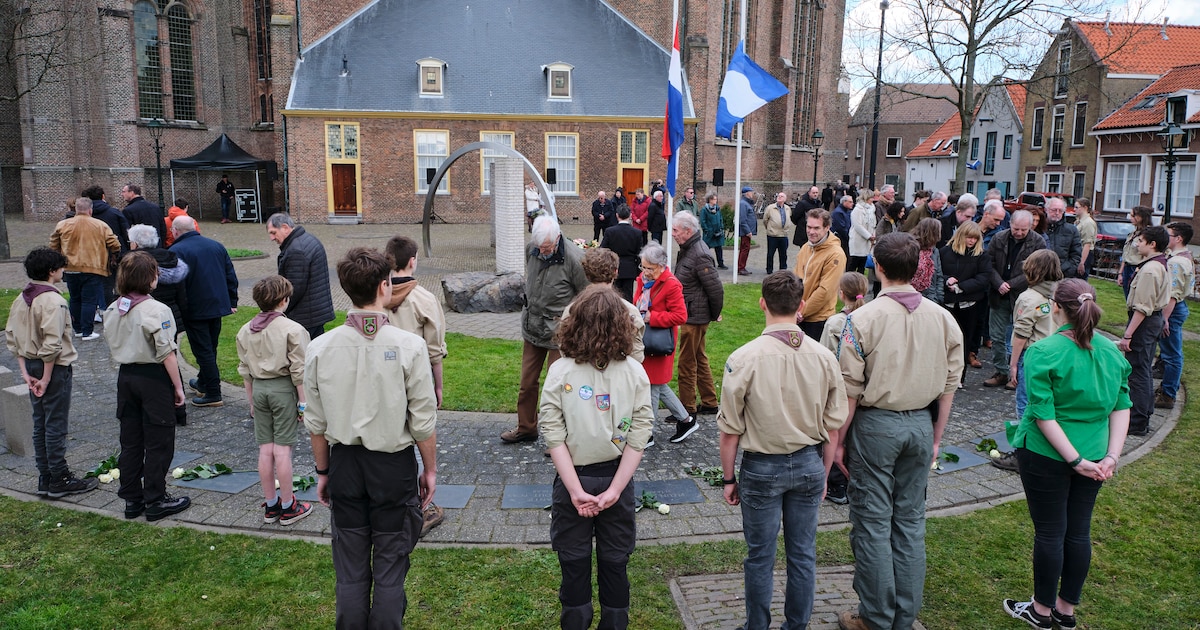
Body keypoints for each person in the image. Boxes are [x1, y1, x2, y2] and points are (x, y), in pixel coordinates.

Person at [833, 232, 964, 630]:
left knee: (873, 523)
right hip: (921, 426)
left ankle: (875, 617)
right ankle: (903, 616)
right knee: (909, 522)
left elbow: (849, 391)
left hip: (877, 427)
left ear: (878, 267)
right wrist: (937, 437)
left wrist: (837, 443)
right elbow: (949, 389)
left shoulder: (861, 319)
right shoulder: (943, 318)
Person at [303, 246, 438, 628]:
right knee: (391, 566)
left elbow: (315, 423)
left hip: (344, 463)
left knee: (350, 566)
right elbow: (423, 421)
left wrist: (323, 471)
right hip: (392, 467)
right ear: (384, 286)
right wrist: (430, 470)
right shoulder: (410, 346)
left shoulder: (319, 347)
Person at [719, 271, 848, 630]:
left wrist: (729, 479)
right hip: (808, 463)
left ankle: (756, 626)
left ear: (762, 304)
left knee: (760, 557)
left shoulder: (743, 358)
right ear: (802, 306)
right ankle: (797, 626)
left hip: (761, 468)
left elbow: (729, 431)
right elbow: (833, 428)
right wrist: (823, 472)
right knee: (803, 554)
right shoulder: (824, 357)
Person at [1001, 279, 1130, 630]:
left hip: (1048, 456)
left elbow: (1044, 416)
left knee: (1051, 532)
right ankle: (1065, 611)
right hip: (1095, 453)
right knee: (1077, 532)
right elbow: (1122, 406)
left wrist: (1076, 460)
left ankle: (1041, 612)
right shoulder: (1112, 351)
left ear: (1055, 307)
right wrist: (1110, 457)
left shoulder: (1043, 352)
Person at [542, 285, 652, 630]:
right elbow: (639, 436)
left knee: (574, 560)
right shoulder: (636, 373)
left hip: (573, 478)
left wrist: (575, 491)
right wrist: (616, 490)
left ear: (574, 323)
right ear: (623, 325)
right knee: (615, 560)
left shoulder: (560, 371)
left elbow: (553, 434)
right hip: (616, 479)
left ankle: (576, 620)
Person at [101, 251, 190, 521]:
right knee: (159, 441)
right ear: (149, 278)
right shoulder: (157, 310)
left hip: (126, 378)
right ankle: (155, 498)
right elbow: (167, 353)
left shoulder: (113, 308)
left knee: (131, 441)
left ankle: (131, 498)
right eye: (155, 273)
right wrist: (178, 387)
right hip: (153, 378)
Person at [5, 247, 96, 499]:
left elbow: (13, 338)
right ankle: (59, 477)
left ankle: (45, 476)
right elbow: (53, 344)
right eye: (61, 267)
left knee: (40, 422)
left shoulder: (21, 297)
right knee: (54, 423)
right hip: (52, 369)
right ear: (52, 271)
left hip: (32, 366)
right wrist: (44, 378)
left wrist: (26, 374)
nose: (63, 271)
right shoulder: (54, 301)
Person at [502, 216, 587, 443]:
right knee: (527, 383)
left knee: (557, 388)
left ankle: (557, 438)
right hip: (533, 327)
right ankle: (526, 427)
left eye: (547, 248)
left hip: (560, 333)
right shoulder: (533, 248)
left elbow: (586, 297)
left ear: (557, 238)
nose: (543, 252)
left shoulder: (575, 259)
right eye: (540, 248)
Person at [235, 275, 313, 526]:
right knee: (282, 450)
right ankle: (290, 505)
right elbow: (299, 370)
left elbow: (244, 369)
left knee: (265, 449)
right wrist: (303, 403)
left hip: (258, 390)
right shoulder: (293, 329)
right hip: (283, 391)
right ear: (284, 300)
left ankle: (271, 504)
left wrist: (251, 402)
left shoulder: (245, 330)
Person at [170, 216, 239, 407]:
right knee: (210, 347)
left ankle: (214, 393)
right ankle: (203, 381)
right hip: (216, 306)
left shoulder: (176, 251)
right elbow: (230, 275)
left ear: (175, 231)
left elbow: (177, 284)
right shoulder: (216, 246)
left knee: (203, 350)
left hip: (195, 309)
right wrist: (232, 300)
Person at [634, 242, 692, 445]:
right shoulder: (643, 280)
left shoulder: (672, 284)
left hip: (659, 343)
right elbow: (636, 303)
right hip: (645, 339)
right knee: (658, 383)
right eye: (643, 267)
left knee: (652, 385)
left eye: (649, 268)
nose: (645, 272)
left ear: (661, 265)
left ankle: (647, 433)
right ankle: (686, 420)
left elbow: (681, 316)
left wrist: (653, 317)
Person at [819, 271, 868, 506]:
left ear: (841, 294)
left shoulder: (835, 323)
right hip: (866, 390)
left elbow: (825, 357)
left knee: (834, 434)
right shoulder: (872, 318)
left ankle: (836, 483)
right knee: (854, 436)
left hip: (841, 389)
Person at [671, 211, 724, 423]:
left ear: (688, 231)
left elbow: (716, 289)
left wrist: (714, 314)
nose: (673, 234)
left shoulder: (699, 253)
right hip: (693, 314)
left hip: (694, 318)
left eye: (675, 230)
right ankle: (710, 402)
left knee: (686, 363)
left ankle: (686, 409)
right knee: (699, 359)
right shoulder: (688, 249)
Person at [983, 210, 1045, 389]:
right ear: (1010, 225)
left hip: (1022, 295)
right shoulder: (999, 238)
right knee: (996, 335)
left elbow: (1036, 271)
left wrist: (1010, 284)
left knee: (1020, 336)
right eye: (1016, 229)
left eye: (1023, 230)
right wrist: (999, 283)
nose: (1019, 233)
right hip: (998, 293)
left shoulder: (1038, 242)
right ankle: (1001, 371)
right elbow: (989, 264)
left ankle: (1015, 374)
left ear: (1030, 226)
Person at [1118, 225, 1170, 437]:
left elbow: (1143, 307)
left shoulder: (1150, 269)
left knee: (1137, 370)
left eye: (1141, 241)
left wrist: (1128, 334)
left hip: (1144, 323)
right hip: (1150, 321)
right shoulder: (1155, 264)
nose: (1137, 244)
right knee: (1143, 369)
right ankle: (1145, 411)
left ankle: (1138, 420)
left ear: (1152, 244)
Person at [1008, 250, 1063, 446]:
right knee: (1049, 404)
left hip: (1033, 356)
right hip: (1057, 355)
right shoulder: (1060, 293)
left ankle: (1024, 447)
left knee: (1026, 404)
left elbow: (1022, 334)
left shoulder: (1029, 298)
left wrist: (1013, 364)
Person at [49, 197, 121, 340]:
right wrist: (113, 254)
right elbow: (115, 244)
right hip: (93, 267)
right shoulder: (100, 225)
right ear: (90, 210)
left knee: (75, 298)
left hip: (70, 267)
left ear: (76, 209)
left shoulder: (62, 225)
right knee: (89, 300)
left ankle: (78, 329)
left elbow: (53, 244)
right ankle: (88, 331)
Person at [563, 248, 644, 362]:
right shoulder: (629, 310)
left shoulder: (572, 309)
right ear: (616, 272)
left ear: (587, 274)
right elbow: (637, 354)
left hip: (581, 373)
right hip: (618, 374)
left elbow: (564, 348)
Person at [266, 213, 335, 339]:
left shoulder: (296, 250)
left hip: (305, 316)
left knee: (302, 355)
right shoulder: (306, 239)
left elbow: (293, 289)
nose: (271, 238)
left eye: (273, 232)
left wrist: (278, 310)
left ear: (285, 227)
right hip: (314, 313)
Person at [940, 221, 990, 376]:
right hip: (948, 303)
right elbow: (937, 273)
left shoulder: (982, 255)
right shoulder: (944, 252)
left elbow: (984, 277)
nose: (971, 241)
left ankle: (959, 376)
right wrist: (947, 280)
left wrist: (961, 286)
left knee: (964, 341)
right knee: (944, 341)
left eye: (975, 239)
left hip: (969, 303)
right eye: (969, 237)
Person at [127, 224, 190, 340]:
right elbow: (181, 295)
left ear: (135, 243)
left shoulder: (131, 263)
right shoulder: (170, 258)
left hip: (141, 316)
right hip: (169, 314)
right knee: (169, 349)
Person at [1156, 222, 1194, 409]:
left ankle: (1168, 394)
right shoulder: (1181, 256)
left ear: (1178, 239)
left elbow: (1172, 294)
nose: (1166, 237)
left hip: (1173, 309)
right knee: (1170, 352)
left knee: (1172, 354)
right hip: (1177, 307)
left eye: (1168, 235)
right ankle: (1167, 388)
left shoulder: (1176, 262)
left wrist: (1164, 319)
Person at [793, 209, 847, 340]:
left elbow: (825, 291)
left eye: (816, 228)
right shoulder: (806, 247)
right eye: (809, 227)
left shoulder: (836, 254)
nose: (811, 232)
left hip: (818, 320)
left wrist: (801, 312)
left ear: (827, 227)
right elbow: (795, 279)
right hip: (798, 315)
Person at [600, 206, 643, 302]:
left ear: (617, 215)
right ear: (630, 216)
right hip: (630, 268)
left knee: (614, 295)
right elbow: (639, 253)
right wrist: (638, 271)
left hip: (614, 267)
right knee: (628, 296)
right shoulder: (637, 233)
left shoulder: (610, 231)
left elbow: (602, 250)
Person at [1117, 205, 1153, 299]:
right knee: (1128, 298)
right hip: (1127, 268)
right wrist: (1120, 273)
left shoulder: (1148, 234)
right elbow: (1126, 254)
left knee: (1136, 298)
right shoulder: (1133, 233)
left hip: (1137, 268)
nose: (1130, 218)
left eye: (1133, 216)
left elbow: (1148, 254)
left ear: (1141, 217)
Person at [1044, 198, 1082, 278]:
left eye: (1060, 211)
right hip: (1040, 274)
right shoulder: (1039, 228)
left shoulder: (1071, 230)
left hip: (1063, 275)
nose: (1057, 213)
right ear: (1046, 209)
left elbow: (1076, 255)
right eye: (1054, 210)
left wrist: (1067, 271)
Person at [911, 217, 945, 304]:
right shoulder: (910, 249)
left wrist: (939, 296)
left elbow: (938, 275)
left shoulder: (934, 251)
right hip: (911, 295)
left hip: (930, 297)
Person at [763, 192, 791, 274]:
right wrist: (769, 229)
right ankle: (769, 269)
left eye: (782, 196)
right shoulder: (770, 208)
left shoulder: (787, 208)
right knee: (770, 254)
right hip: (773, 235)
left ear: (785, 199)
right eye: (778, 196)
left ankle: (783, 270)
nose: (779, 197)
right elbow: (765, 220)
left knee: (783, 254)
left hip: (783, 235)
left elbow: (789, 217)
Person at [847, 192, 875, 274]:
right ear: (865, 198)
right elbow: (857, 225)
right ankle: (848, 284)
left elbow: (873, 224)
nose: (872, 200)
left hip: (867, 241)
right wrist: (869, 236)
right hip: (858, 240)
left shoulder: (871, 209)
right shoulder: (857, 209)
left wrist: (873, 234)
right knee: (853, 264)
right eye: (871, 198)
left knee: (862, 265)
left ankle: (860, 284)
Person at [700, 192, 727, 270]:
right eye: (714, 199)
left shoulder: (717, 209)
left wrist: (721, 227)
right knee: (706, 248)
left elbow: (720, 218)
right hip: (709, 233)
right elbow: (703, 220)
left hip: (718, 232)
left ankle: (721, 263)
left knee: (719, 248)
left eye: (716, 199)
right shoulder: (705, 210)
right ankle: (705, 262)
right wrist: (707, 230)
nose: (716, 200)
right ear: (710, 200)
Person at [1074, 198, 1096, 279]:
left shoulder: (1088, 223)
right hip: (1078, 253)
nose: (1074, 209)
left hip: (1084, 254)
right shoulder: (1079, 221)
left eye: (1077, 207)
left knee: (1080, 281)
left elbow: (1087, 244)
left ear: (1085, 208)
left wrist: (1082, 263)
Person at [738, 186, 758, 276]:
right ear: (747, 193)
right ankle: (741, 268)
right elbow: (742, 219)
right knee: (744, 249)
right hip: (745, 231)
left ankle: (742, 267)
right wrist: (747, 231)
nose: (752, 194)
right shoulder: (743, 204)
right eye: (751, 192)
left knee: (745, 249)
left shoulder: (747, 203)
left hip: (747, 231)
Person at [831, 193, 852, 259]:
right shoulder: (838, 212)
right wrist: (848, 236)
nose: (852, 203)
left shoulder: (847, 211)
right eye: (850, 202)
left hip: (845, 237)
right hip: (841, 238)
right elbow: (841, 228)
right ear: (844, 202)